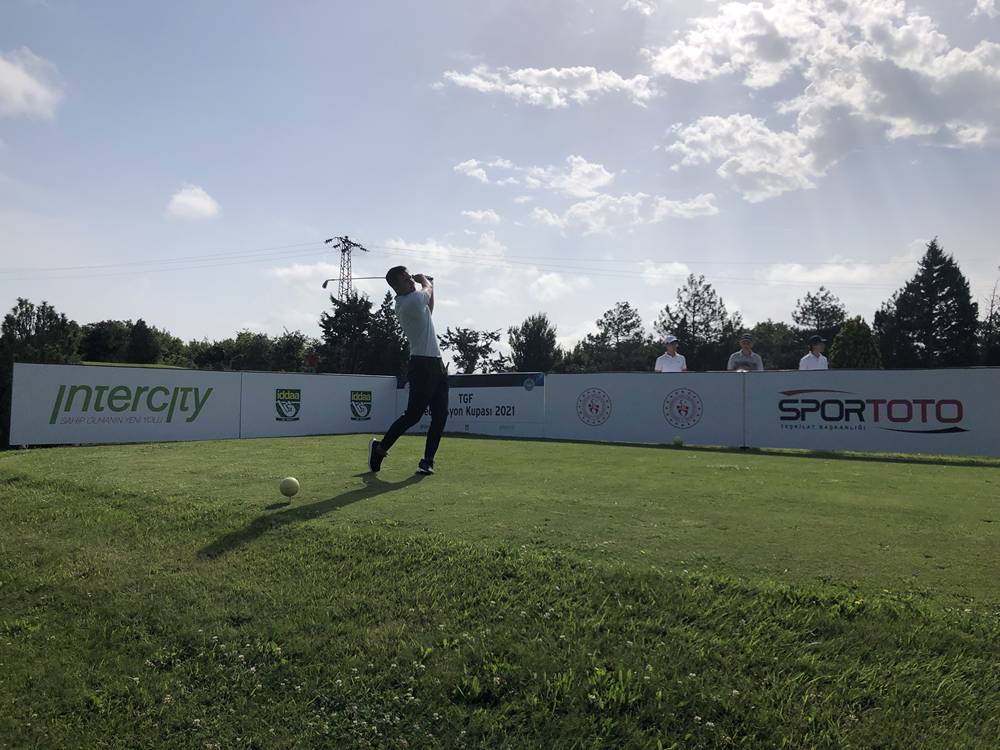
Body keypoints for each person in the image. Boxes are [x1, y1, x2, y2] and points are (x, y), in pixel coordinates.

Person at [368, 266, 448, 476]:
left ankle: (427, 461)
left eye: (410, 277)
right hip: (422, 365)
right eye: (405, 280)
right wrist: (425, 281)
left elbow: (429, 309)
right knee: (413, 416)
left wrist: (430, 285)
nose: (411, 281)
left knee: (440, 416)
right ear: (396, 286)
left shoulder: (413, 301)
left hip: (437, 364)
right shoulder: (409, 302)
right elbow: (426, 292)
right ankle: (379, 449)